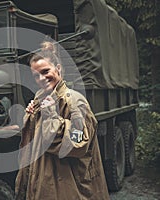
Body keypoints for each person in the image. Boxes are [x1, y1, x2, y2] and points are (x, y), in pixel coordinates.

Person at [15, 42, 110, 200]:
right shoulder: (41, 100)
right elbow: (32, 146)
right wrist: (31, 117)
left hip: (69, 190)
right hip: (43, 186)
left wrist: (51, 116)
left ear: (58, 68)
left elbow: (77, 143)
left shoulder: (74, 102)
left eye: (46, 71)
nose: (41, 78)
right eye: (36, 75)